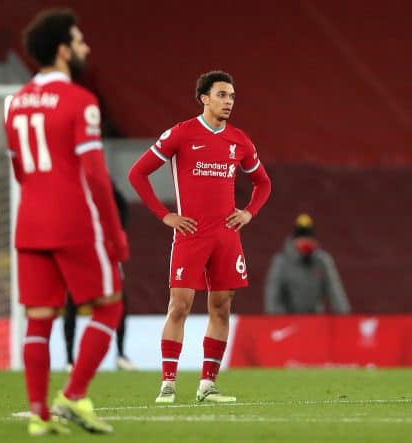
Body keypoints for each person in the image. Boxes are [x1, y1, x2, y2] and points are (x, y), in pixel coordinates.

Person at [5, 9, 128, 436]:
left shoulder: (15, 103)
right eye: (79, 40)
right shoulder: (81, 101)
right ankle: (73, 396)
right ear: (62, 50)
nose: (85, 47)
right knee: (110, 305)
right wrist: (114, 234)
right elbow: (95, 174)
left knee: (39, 318)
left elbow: (20, 170)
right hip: (73, 220)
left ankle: (39, 417)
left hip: (29, 223)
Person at [128, 70, 271, 404]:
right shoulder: (182, 133)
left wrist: (248, 212)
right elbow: (137, 173)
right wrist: (165, 215)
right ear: (204, 98)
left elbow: (263, 183)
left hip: (226, 235)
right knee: (180, 305)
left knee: (221, 308)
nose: (229, 102)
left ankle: (208, 385)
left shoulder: (240, 140)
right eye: (222, 95)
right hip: (191, 234)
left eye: (232, 96)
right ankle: (167, 384)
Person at [63, 182, 137, 372]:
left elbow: (121, 203)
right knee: (72, 302)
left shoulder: (101, 181)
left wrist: (118, 230)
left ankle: (120, 354)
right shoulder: (71, 187)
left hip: (105, 250)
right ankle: (70, 360)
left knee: (119, 303)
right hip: (80, 251)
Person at [264, 213, 351, 314]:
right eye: (301, 238)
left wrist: (344, 318)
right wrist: (277, 321)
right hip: (288, 319)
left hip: (314, 319)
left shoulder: (322, 261)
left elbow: (335, 291)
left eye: (308, 238)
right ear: (294, 240)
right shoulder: (281, 263)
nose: (305, 242)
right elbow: (272, 296)